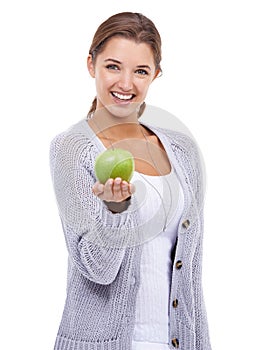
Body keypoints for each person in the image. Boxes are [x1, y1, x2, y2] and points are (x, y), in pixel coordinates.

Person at [49, 12, 212, 350]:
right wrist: (116, 209)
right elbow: (97, 269)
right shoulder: (72, 148)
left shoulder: (181, 150)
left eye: (140, 71)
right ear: (91, 65)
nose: (125, 84)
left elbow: (193, 273)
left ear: (155, 74)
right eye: (113, 66)